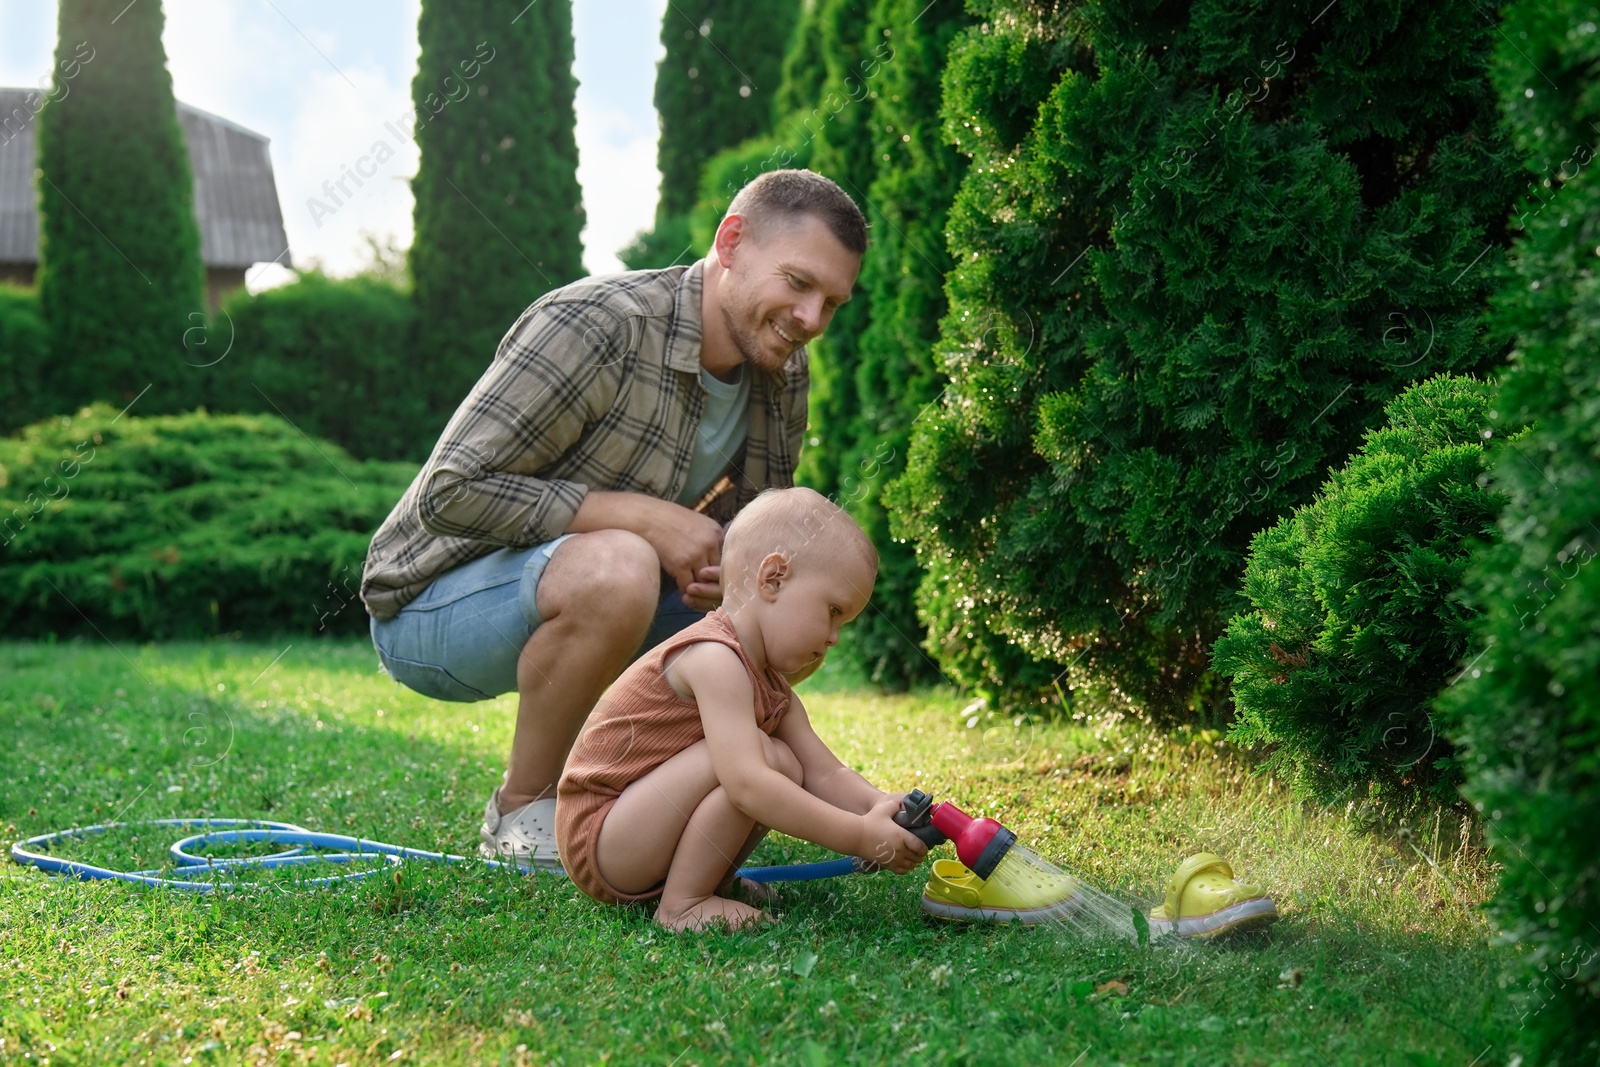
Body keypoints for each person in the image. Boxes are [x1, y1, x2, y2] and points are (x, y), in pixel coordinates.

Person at [359, 170, 867, 872]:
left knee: (760, 618)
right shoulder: (601, 323)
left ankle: (653, 812)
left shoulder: (784, 370)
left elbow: (760, 550)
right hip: (433, 603)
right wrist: (643, 519)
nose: (812, 319)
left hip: (606, 604)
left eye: (832, 303)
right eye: (798, 283)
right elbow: (448, 491)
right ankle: (522, 812)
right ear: (731, 242)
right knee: (620, 564)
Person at [556, 487, 928, 930]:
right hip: (604, 838)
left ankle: (710, 882)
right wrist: (859, 837)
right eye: (832, 611)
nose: (834, 637)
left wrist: (878, 805)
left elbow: (824, 773)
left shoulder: (771, 686)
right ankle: (684, 904)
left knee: (785, 762)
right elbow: (748, 785)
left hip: (640, 832)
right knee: (761, 760)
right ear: (772, 578)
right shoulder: (714, 658)